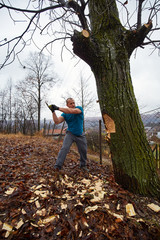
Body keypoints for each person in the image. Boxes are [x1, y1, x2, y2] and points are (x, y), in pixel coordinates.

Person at [48, 98, 88, 171]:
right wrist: (53, 111)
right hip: (70, 133)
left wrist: (58, 108)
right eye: (71, 103)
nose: (73, 105)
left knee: (83, 150)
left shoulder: (79, 109)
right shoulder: (65, 114)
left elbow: (71, 111)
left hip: (80, 134)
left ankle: (83, 165)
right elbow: (57, 121)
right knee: (64, 148)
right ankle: (57, 166)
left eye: (73, 103)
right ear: (67, 105)